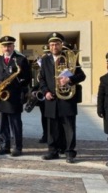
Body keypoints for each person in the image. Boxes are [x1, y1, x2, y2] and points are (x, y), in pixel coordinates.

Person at [39, 32, 86, 163]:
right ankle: (53, 151)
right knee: (52, 128)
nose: (54, 46)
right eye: (52, 44)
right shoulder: (45, 60)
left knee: (69, 128)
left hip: (67, 99)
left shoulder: (70, 58)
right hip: (51, 99)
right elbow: (41, 79)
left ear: (61, 45)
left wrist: (69, 80)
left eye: (57, 44)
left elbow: (82, 76)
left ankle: (70, 152)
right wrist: (45, 92)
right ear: (49, 46)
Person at [0, 36, 30, 157]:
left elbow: (28, 78)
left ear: (13, 46)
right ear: (2, 48)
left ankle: (17, 147)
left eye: (9, 45)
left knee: (15, 124)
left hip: (14, 97)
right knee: (2, 123)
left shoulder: (20, 60)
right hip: (1, 97)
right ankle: (4, 146)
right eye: (4, 46)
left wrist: (16, 83)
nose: (7, 48)